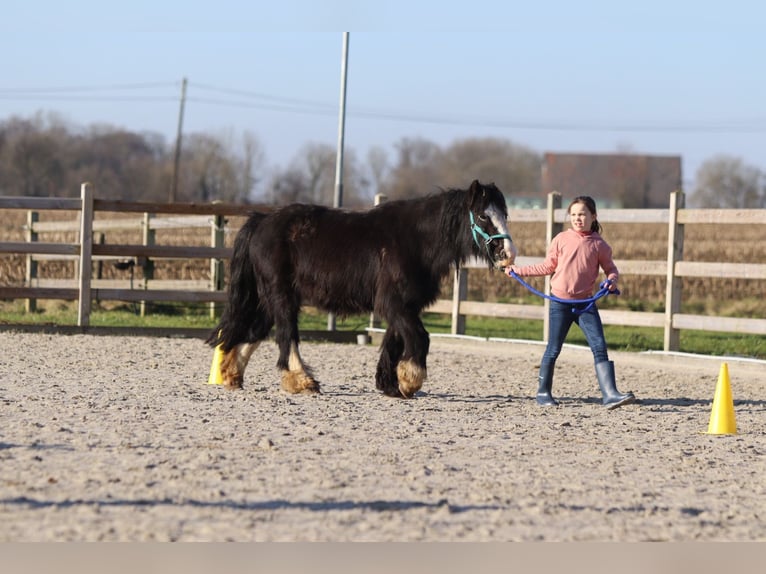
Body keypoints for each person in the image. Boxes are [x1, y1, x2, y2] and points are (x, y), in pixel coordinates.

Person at [506, 195, 636, 409]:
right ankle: (543, 392)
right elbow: (547, 267)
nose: (578, 218)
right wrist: (518, 271)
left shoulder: (600, 245)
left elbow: (611, 270)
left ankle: (610, 394)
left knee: (599, 347)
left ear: (593, 216)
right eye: (574, 215)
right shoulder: (561, 239)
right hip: (560, 303)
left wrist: (611, 281)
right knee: (553, 349)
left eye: (582, 214)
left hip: (586, 305)